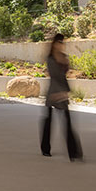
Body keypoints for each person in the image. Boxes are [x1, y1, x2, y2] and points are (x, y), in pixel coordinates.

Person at [41, 33, 82, 161]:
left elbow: (64, 76)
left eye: (63, 43)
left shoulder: (64, 57)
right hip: (54, 92)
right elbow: (55, 76)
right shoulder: (51, 59)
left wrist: (65, 92)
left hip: (62, 93)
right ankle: (45, 149)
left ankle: (74, 153)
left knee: (67, 123)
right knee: (48, 122)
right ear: (54, 44)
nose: (62, 45)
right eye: (60, 42)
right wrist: (60, 92)